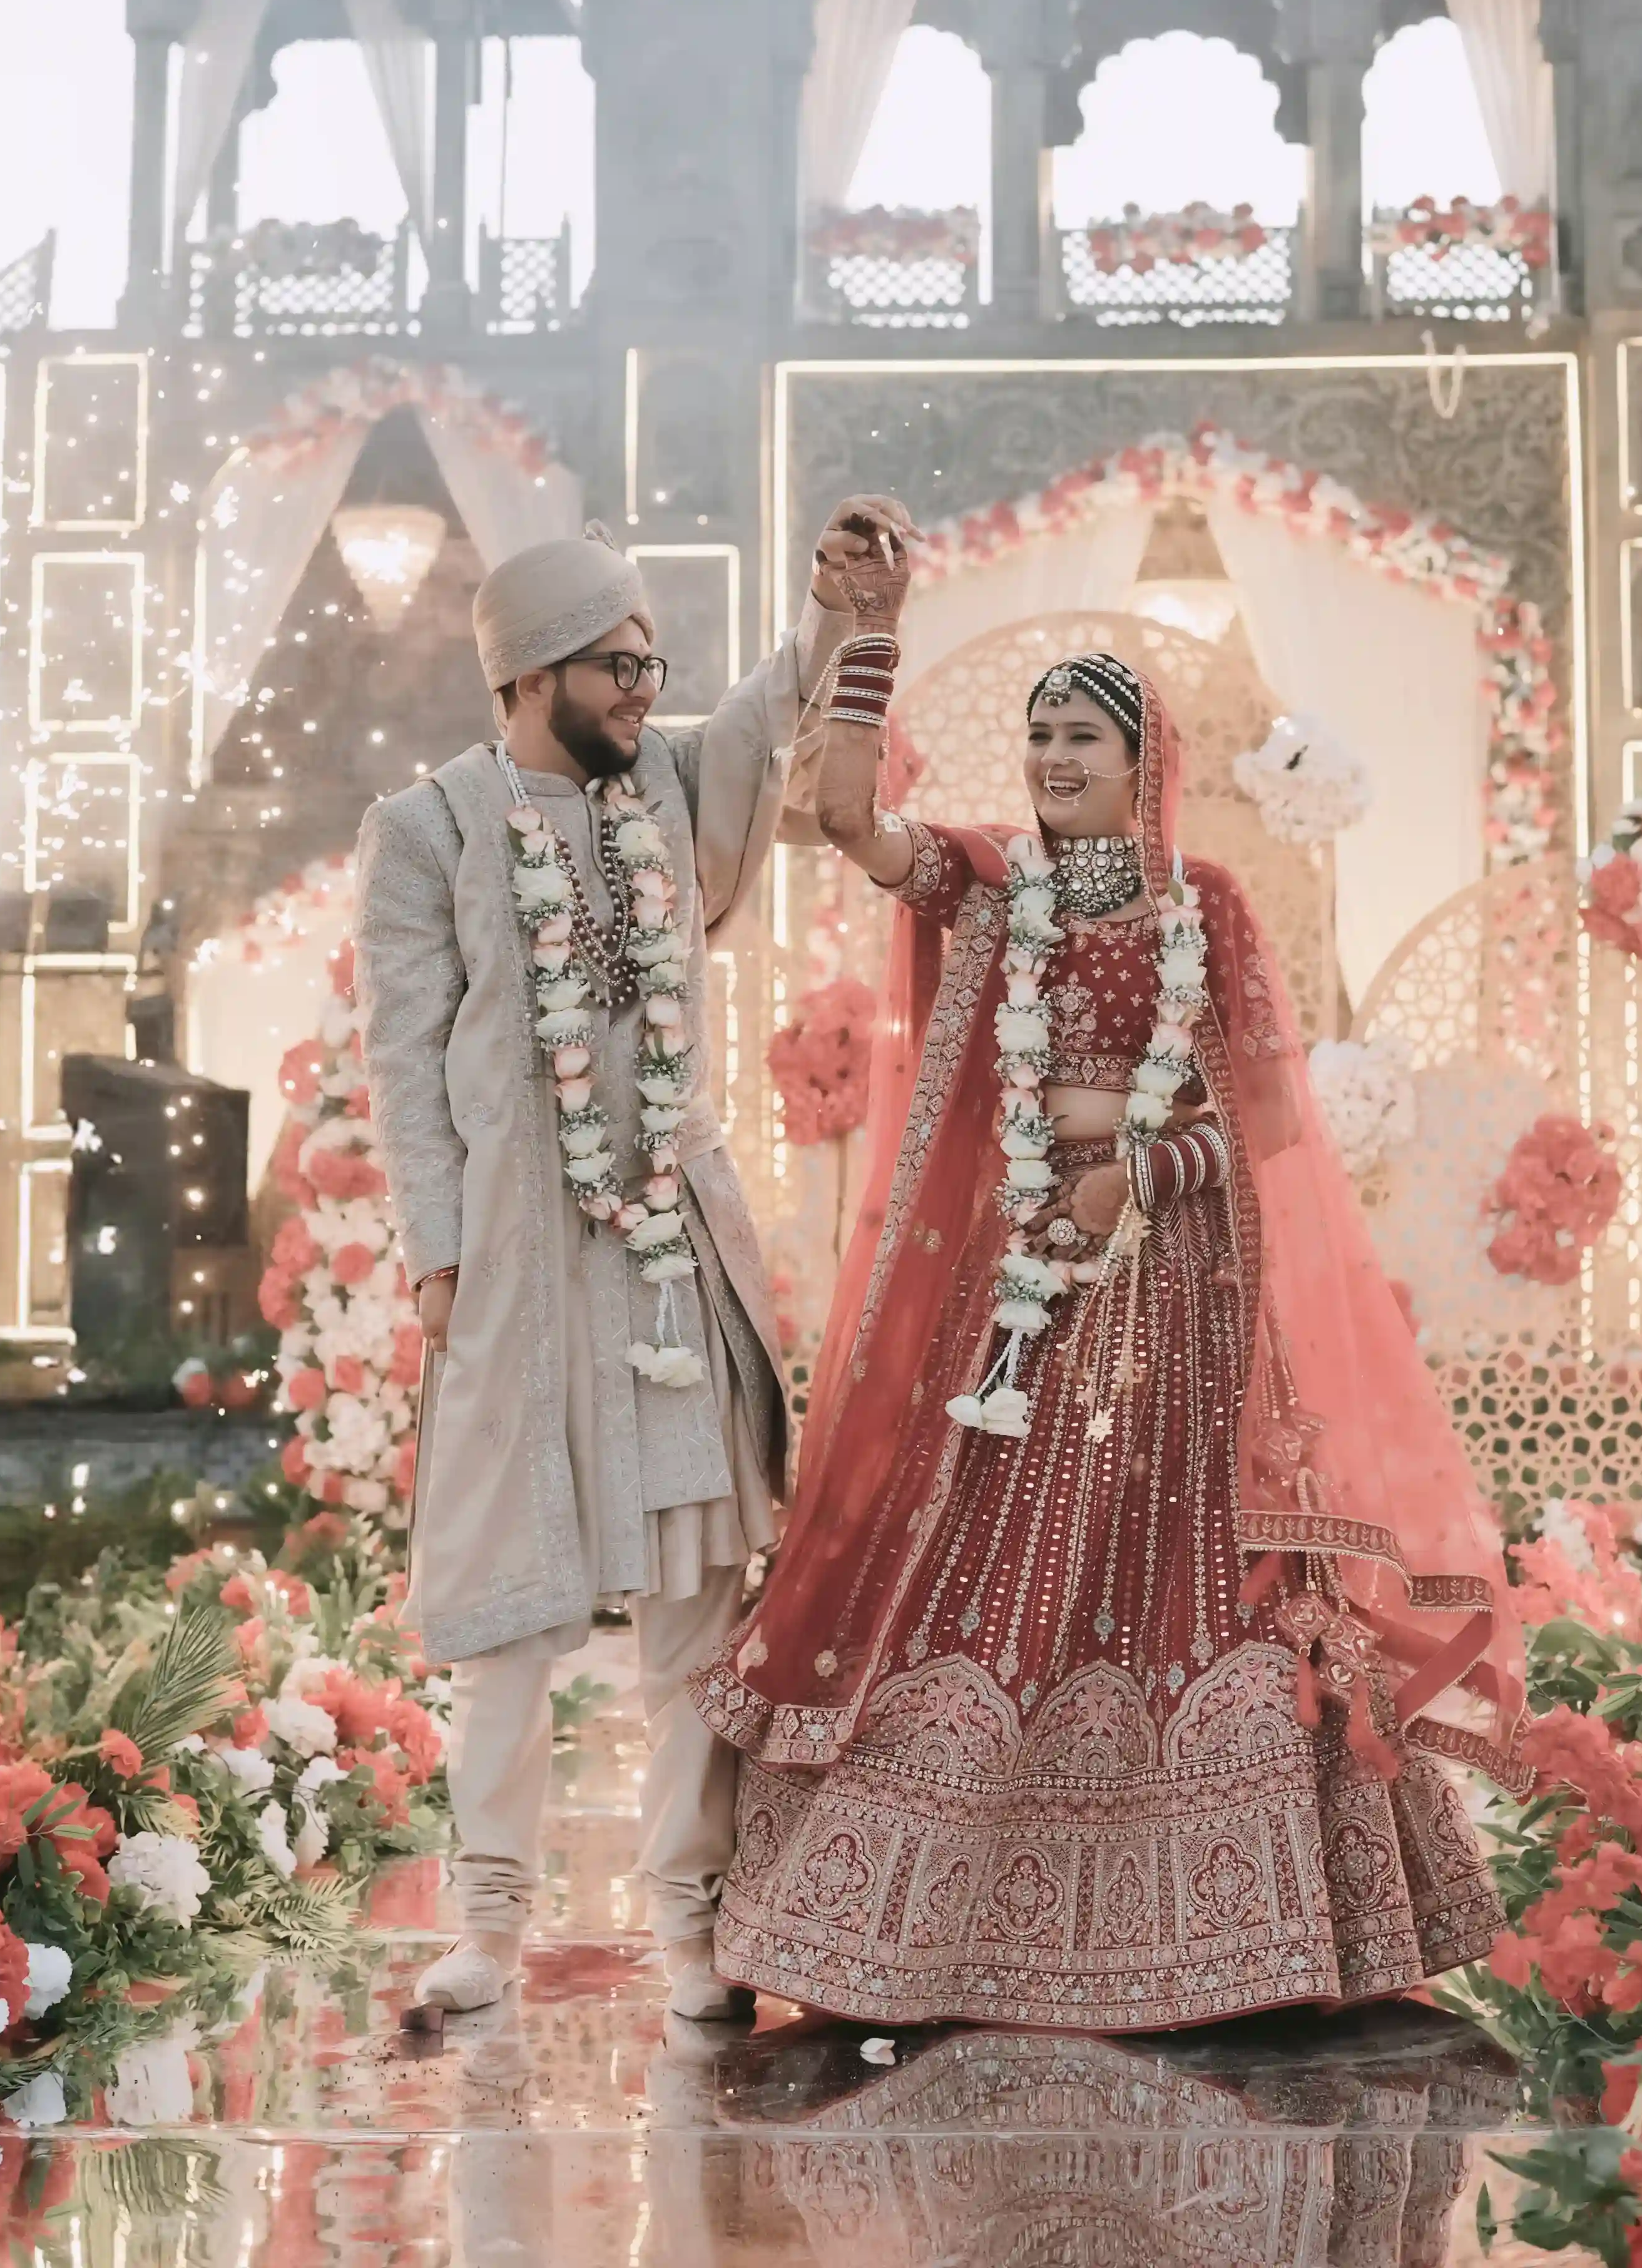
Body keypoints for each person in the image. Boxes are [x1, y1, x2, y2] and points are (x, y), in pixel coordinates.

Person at [696, 622, 1517, 2032]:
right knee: (979, 1559)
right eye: (1039, 736)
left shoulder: (1209, 904)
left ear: (1145, 762)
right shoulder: (995, 885)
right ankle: (926, 1929)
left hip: (1175, 1286)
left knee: (1178, 1571)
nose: (1054, 758)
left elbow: (1264, 1124)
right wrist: (871, 627)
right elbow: (842, 818)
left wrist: (1139, 1168)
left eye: (1082, 736)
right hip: (1018, 1287)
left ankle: (1233, 1924)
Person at [357, 501, 914, 2026]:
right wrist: (439, 1263)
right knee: (507, 1608)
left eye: (651, 659)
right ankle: (487, 1922)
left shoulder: (668, 788)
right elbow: (405, 1065)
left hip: (670, 1236)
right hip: (519, 1256)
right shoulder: (432, 828)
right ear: (531, 675)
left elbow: (752, 727)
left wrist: (832, 620)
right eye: (616, 666)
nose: (644, 687)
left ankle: (691, 1924)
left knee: (696, 1604)